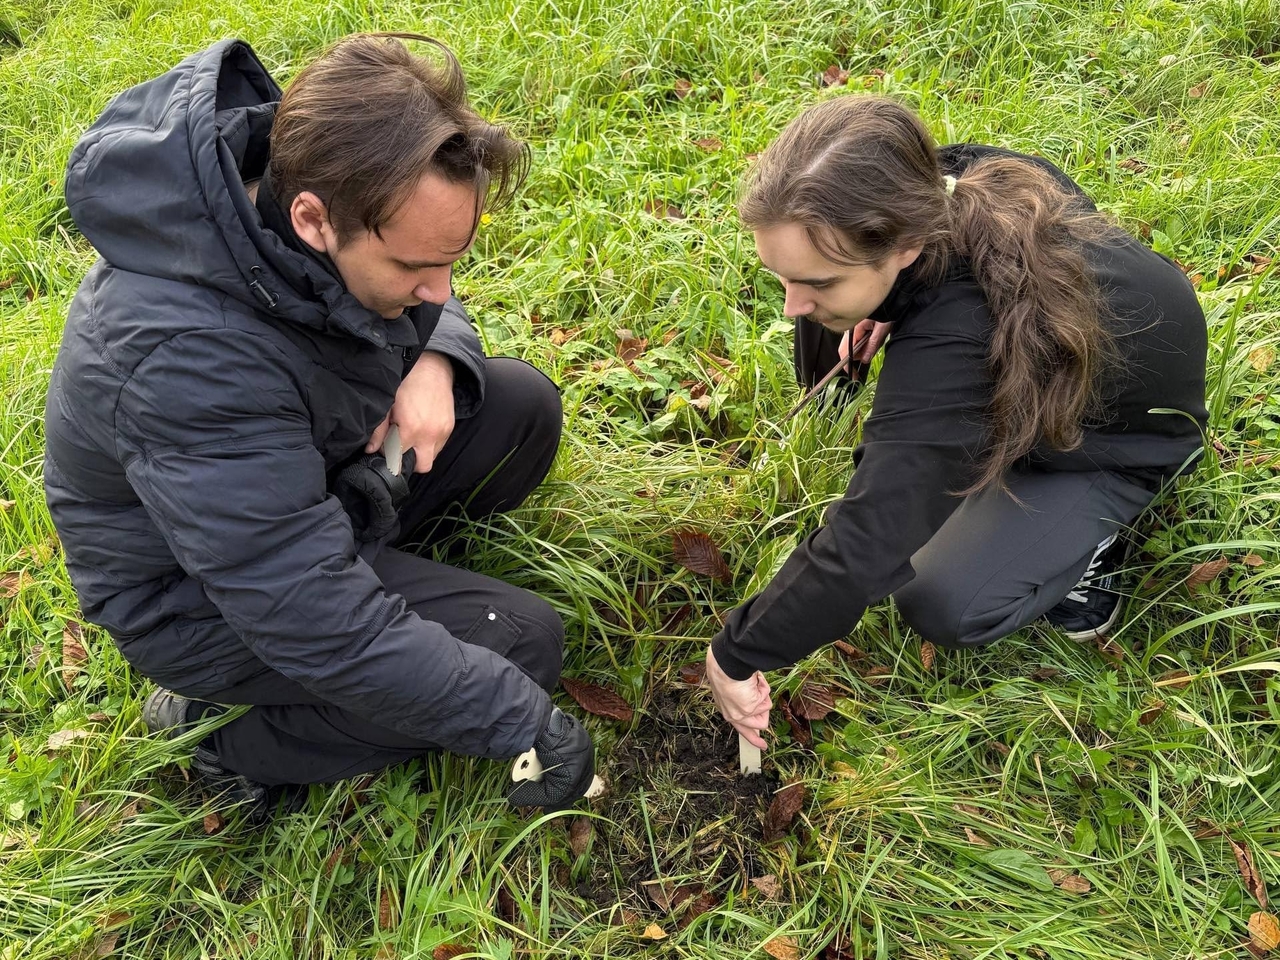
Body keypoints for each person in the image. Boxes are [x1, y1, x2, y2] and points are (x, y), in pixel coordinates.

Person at [44, 33, 594, 818]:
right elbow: (304, 611)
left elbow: (423, 296)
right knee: (519, 645)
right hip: (199, 597)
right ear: (313, 220)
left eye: (450, 261)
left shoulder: (309, 203)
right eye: (414, 269)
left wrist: (434, 360)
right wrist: (518, 721)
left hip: (302, 487)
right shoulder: (185, 357)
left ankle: (387, 574)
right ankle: (216, 736)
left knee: (517, 409)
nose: (441, 290)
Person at [704, 96, 1208, 747]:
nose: (791, 305)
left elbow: (868, 541)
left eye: (820, 283)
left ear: (905, 245)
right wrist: (883, 307)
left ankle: (1095, 542)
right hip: (1086, 348)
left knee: (944, 599)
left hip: (1120, 437)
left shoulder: (962, 342)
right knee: (837, 315)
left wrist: (736, 653)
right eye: (780, 276)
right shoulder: (942, 178)